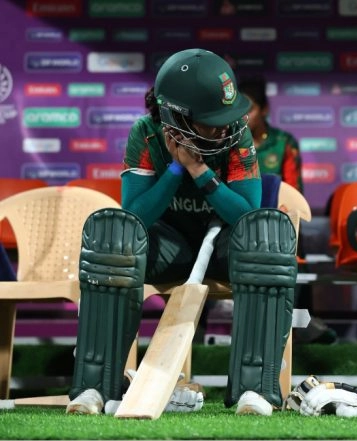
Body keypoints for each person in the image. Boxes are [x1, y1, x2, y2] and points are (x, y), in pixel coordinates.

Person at [66, 48, 298, 416]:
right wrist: (175, 169)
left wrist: (201, 173)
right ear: (176, 118)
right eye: (211, 120)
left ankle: (255, 391)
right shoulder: (146, 134)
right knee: (115, 233)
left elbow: (246, 215)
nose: (223, 127)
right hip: (169, 247)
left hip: (225, 248)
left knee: (264, 235)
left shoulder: (237, 134)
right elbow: (136, 217)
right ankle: (95, 387)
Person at [236, 78, 337, 344]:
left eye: (250, 109)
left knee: (295, 236)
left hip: (279, 221)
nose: (244, 116)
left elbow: (294, 190)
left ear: (265, 110)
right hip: (239, 221)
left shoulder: (284, 142)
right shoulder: (229, 143)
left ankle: (302, 327)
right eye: (239, 109)